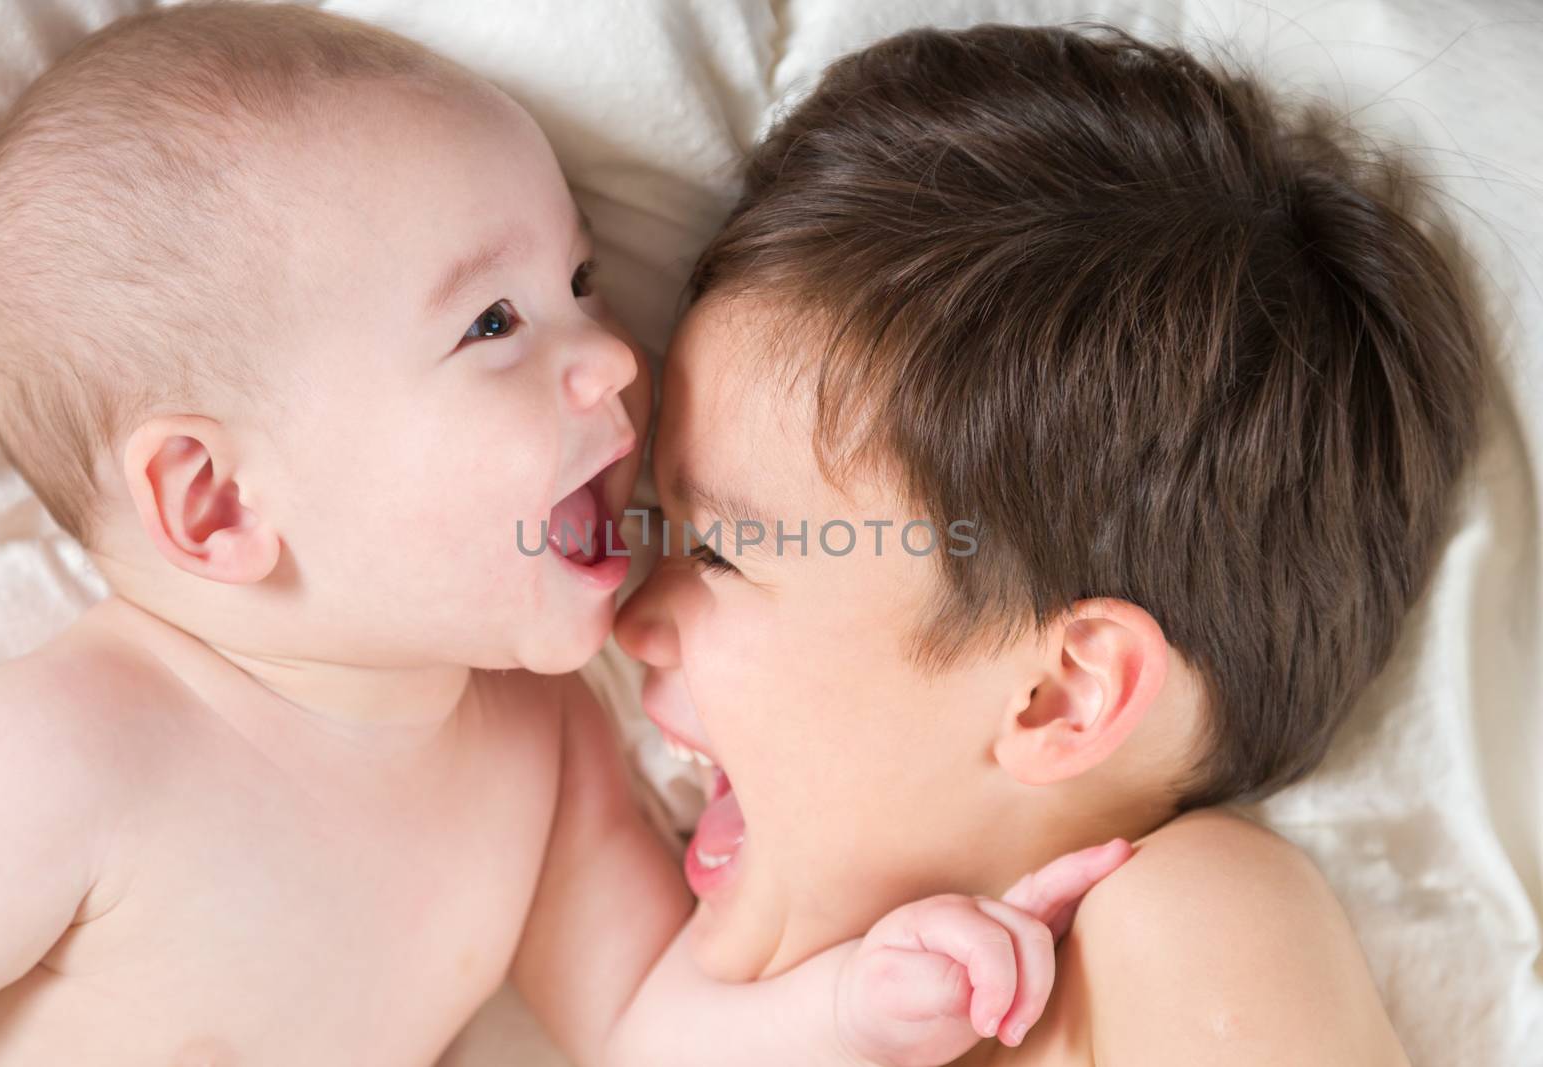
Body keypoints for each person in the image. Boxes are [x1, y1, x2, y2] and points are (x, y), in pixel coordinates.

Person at [0, 5, 1122, 1065]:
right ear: (217, 502)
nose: (610, 354)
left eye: (582, 278)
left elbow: (638, 1025)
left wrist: (855, 1012)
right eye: (493, 320)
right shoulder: (66, 755)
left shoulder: (539, 741)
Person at [614, 22, 1487, 1065]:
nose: (626, 612)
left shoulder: (1192, 915)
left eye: (715, 551)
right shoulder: (758, 988)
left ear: (1059, 695)